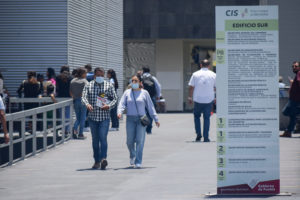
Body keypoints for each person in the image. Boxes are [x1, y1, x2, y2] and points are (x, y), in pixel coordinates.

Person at [118, 75, 160, 168]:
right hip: (130, 119)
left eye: (136, 81)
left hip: (141, 119)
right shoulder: (127, 93)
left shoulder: (144, 93)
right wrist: (119, 112)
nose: (134, 82)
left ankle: (138, 161)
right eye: (132, 81)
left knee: (139, 141)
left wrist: (156, 119)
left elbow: (150, 107)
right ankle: (132, 155)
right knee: (129, 141)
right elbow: (122, 103)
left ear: (140, 83)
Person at [82, 67, 118, 170]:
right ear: (94, 76)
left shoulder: (109, 85)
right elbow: (83, 97)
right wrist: (87, 104)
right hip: (93, 118)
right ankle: (96, 161)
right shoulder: (89, 86)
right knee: (95, 140)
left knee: (103, 138)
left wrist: (109, 106)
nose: (100, 77)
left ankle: (103, 159)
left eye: (102, 76)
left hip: (104, 117)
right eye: (98, 75)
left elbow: (115, 99)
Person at [188, 59, 216, 142]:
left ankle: (198, 134)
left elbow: (191, 87)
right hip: (209, 100)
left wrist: (190, 97)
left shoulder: (195, 74)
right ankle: (206, 137)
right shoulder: (213, 75)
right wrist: (215, 98)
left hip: (198, 100)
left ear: (201, 65)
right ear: (209, 66)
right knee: (207, 118)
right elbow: (216, 87)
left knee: (197, 117)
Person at [281, 61, 300, 137]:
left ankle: (289, 131)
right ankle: (288, 132)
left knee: (285, 111)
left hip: (295, 100)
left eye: (296, 66)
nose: (294, 67)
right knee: (292, 116)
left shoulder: (299, 73)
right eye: (293, 66)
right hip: (294, 99)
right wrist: (292, 83)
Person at [141, 67, 161, 134]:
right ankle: (149, 129)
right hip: (151, 97)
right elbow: (158, 87)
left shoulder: (141, 78)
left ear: (143, 71)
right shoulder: (153, 78)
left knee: (143, 112)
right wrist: (158, 96)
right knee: (150, 112)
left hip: (142, 97)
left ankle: (143, 127)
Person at [70, 67, 88, 139]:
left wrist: (74, 97)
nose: (86, 74)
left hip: (75, 100)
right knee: (82, 118)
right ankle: (80, 134)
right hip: (83, 101)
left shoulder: (73, 81)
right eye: (85, 73)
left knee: (78, 117)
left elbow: (70, 92)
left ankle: (74, 128)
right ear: (83, 74)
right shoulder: (85, 81)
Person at [56, 65, 72, 133]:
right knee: (67, 114)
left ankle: (62, 129)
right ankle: (67, 129)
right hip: (68, 97)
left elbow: (56, 87)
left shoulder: (57, 77)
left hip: (60, 97)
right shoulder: (71, 77)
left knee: (61, 114)